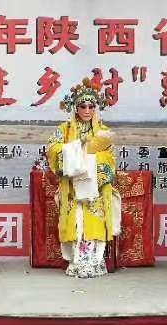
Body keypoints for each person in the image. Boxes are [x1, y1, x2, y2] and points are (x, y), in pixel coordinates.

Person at [46, 78, 120, 278]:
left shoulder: (103, 131)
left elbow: (110, 157)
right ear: (75, 108)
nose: (87, 110)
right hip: (73, 185)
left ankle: (95, 261)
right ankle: (76, 261)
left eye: (91, 106)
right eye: (83, 106)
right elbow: (52, 149)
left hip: (95, 186)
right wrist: (76, 148)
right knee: (76, 222)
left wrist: (92, 161)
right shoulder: (64, 129)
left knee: (95, 221)